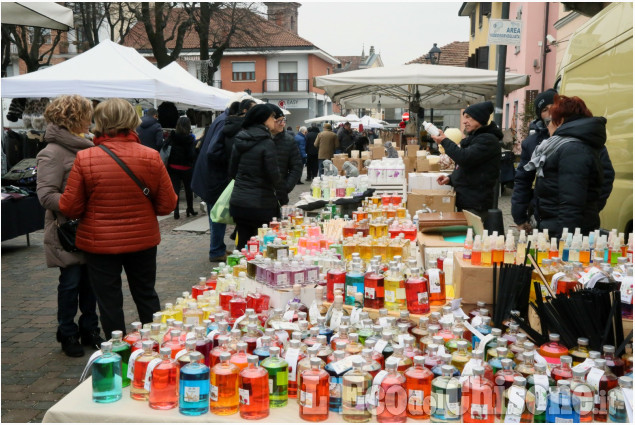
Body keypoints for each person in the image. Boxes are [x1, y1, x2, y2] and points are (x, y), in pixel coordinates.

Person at [59, 98, 177, 340]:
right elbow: (168, 204)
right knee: (146, 294)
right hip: (142, 240)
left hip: (99, 242)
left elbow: (70, 207)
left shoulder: (86, 158)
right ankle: (155, 347)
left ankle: (118, 354)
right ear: (132, 120)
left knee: (109, 300)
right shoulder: (150, 156)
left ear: (100, 122)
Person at [36, 95, 102, 357]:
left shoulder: (88, 146)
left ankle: (90, 328)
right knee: (71, 283)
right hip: (68, 231)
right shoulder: (52, 152)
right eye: (88, 113)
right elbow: (45, 195)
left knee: (91, 283)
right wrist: (76, 205)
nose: (91, 119)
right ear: (75, 117)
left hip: (90, 228)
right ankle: (67, 331)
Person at [524, 94, 614, 238]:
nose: (548, 126)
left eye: (550, 121)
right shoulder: (566, 145)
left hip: (563, 233)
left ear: (561, 121)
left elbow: (571, 203)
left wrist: (565, 244)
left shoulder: (572, 148)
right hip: (555, 227)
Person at [191, 92, 254, 262]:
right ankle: (216, 250)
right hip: (214, 176)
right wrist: (230, 161)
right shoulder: (225, 122)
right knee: (217, 213)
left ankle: (218, 248)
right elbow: (213, 151)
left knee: (216, 213)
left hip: (210, 174)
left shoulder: (223, 120)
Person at [431, 100, 502, 222]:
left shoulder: (487, 140)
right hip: (468, 201)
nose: (464, 121)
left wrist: (444, 141)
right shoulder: (475, 138)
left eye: (468, 117)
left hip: (476, 204)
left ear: (479, 118)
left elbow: (464, 158)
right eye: (464, 118)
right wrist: (451, 178)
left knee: (471, 237)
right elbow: (469, 168)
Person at [228, 104, 282, 250]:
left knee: (243, 245)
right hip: (261, 203)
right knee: (262, 247)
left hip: (239, 201)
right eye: (272, 116)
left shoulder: (240, 138)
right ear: (263, 119)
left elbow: (232, 171)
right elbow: (274, 176)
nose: (274, 119)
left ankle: (240, 270)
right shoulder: (266, 142)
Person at [511, 89, 556, 232]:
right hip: (542, 215)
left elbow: (604, 175)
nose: (551, 112)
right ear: (539, 115)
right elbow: (523, 180)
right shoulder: (532, 143)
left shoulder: (578, 137)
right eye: (545, 109)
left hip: (575, 217)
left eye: (554, 106)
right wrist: (519, 216)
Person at [270, 106, 303, 206]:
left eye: (283, 120)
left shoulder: (288, 140)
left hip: (280, 195)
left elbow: (296, 166)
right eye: (279, 121)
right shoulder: (258, 138)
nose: (282, 124)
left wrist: (286, 187)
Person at [166, 116, 197, 219]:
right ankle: (190, 208)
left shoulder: (172, 136)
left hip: (173, 166)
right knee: (188, 189)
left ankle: (176, 211)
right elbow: (191, 155)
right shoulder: (190, 139)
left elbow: (166, 148)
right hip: (186, 167)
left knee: (176, 189)